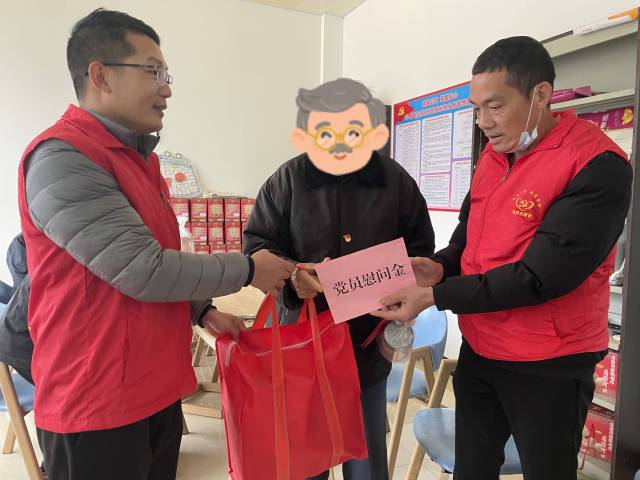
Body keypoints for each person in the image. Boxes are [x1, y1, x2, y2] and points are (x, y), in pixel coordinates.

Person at [17, 9, 294, 480]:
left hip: (154, 387)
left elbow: (155, 258)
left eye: (167, 74)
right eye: (153, 72)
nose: (166, 89)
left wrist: (200, 311)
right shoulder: (62, 158)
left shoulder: (142, 160)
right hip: (96, 400)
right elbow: (143, 270)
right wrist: (250, 270)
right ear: (100, 75)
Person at [373, 36, 632, 480]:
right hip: (482, 348)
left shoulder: (597, 164)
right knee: (472, 467)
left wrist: (436, 295)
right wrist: (440, 266)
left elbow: (540, 277)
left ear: (540, 95)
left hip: (549, 361)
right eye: (477, 109)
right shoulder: (494, 157)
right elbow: (467, 239)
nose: (484, 122)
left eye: (495, 106)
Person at [243, 77, 436, 480]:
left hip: (367, 342)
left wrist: (400, 291)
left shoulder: (396, 182)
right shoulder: (286, 181)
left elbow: (421, 250)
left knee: (365, 456)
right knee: (307, 459)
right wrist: (294, 276)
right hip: (304, 343)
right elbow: (258, 248)